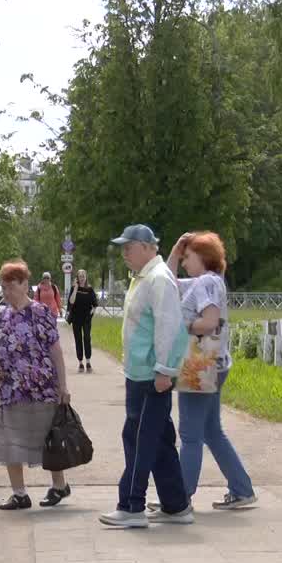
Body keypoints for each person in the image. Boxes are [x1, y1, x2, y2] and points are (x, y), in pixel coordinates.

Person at [100, 224, 193, 528]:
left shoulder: (157, 279)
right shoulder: (149, 276)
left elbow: (170, 328)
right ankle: (176, 505)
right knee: (159, 440)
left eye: (128, 247)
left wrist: (165, 371)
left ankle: (131, 506)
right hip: (142, 373)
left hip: (151, 377)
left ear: (146, 247)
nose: (124, 253)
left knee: (139, 440)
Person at [163, 231, 257, 512]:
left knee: (191, 435)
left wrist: (185, 327)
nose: (185, 262)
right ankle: (242, 490)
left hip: (200, 364)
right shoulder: (209, 281)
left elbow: (210, 321)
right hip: (214, 362)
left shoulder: (204, 282)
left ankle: (181, 497)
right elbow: (167, 283)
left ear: (203, 258)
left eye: (188, 257)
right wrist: (177, 250)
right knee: (212, 432)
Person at [0, 260, 72, 510]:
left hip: (41, 388)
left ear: (25, 285)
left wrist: (63, 386)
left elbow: (56, 351)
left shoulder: (41, 312)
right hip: (10, 389)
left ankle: (59, 486)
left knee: (46, 439)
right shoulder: (2, 316)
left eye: (11, 286)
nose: (7, 293)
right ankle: (19, 494)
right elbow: (1, 350)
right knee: (10, 441)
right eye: (3, 288)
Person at [67, 269, 98, 373]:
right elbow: (71, 301)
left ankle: (88, 361)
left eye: (83, 276)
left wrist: (92, 312)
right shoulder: (73, 288)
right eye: (80, 276)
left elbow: (95, 304)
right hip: (76, 318)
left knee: (87, 338)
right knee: (78, 339)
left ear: (86, 277)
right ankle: (80, 362)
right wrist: (75, 288)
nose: (82, 278)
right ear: (77, 278)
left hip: (86, 318)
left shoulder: (89, 289)